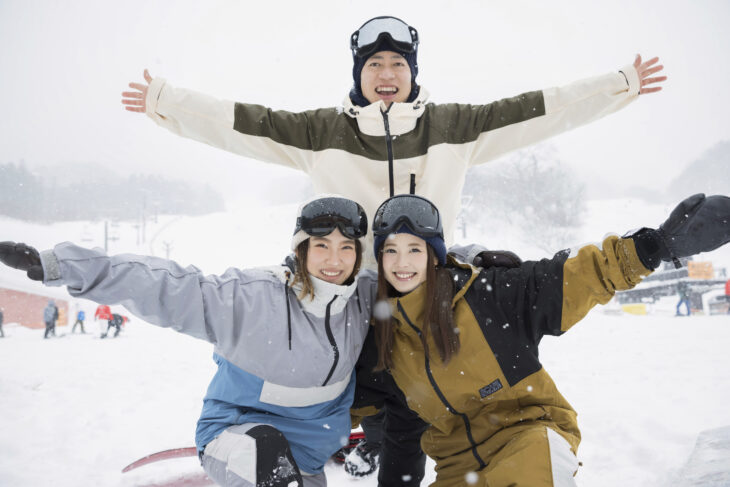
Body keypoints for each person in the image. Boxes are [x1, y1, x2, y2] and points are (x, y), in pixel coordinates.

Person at [121, 15, 666, 262]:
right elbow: (242, 122)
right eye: (374, 63)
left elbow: (541, 109)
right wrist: (167, 101)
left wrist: (618, 85)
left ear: (412, 72)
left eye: (398, 63)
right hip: (343, 282)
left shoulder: (454, 127)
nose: (386, 74)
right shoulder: (319, 132)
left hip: (422, 279)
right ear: (358, 73)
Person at [0, 196, 381, 487]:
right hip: (239, 437)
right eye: (321, 246)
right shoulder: (253, 298)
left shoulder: (364, 298)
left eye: (346, 248)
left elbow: (409, 282)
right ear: (301, 249)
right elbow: (165, 285)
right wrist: (65, 266)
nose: (334, 260)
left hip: (309, 459)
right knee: (267, 455)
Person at [353, 192, 730, 487]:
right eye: (391, 251)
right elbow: (360, 412)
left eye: (415, 249)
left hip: (528, 438)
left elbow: (577, 276)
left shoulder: (488, 296)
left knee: (534, 467)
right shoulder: (385, 338)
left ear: (435, 256)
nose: (402, 263)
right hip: (458, 470)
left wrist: (654, 246)